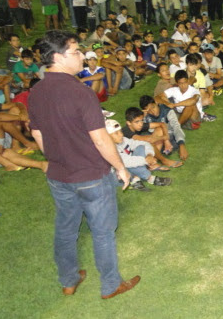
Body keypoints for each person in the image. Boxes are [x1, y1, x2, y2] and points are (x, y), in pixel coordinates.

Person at [28, 30, 140, 299]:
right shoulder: (81, 93)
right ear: (58, 57)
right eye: (76, 51)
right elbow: (101, 139)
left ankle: (68, 280)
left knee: (66, 229)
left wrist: (57, 157)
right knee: (102, 233)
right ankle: (111, 284)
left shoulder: (35, 91)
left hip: (59, 176)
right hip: (90, 175)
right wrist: (121, 167)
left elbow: (37, 133)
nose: (82, 56)